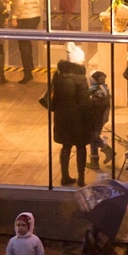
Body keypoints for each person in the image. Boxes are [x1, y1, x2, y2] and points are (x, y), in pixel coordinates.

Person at [52, 58, 90, 186]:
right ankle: (81, 178)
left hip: (62, 117)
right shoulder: (81, 79)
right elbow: (84, 103)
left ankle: (65, 176)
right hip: (78, 118)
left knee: (66, 146)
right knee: (81, 147)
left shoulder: (58, 78)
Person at [11, 0, 41, 84]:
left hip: (25, 17)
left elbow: (20, 3)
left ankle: (27, 73)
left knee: (23, 46)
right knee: (26, 44)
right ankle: (29, 69)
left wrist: (14, 16)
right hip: (34, 16)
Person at [85, 71, 113, 170]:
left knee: (93, 136)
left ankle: (107, 150)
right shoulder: (102, 88)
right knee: (93, 138)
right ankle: (94, 161)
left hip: (96, 118)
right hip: (99, 118)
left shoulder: (98, 91)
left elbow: (93, 105)